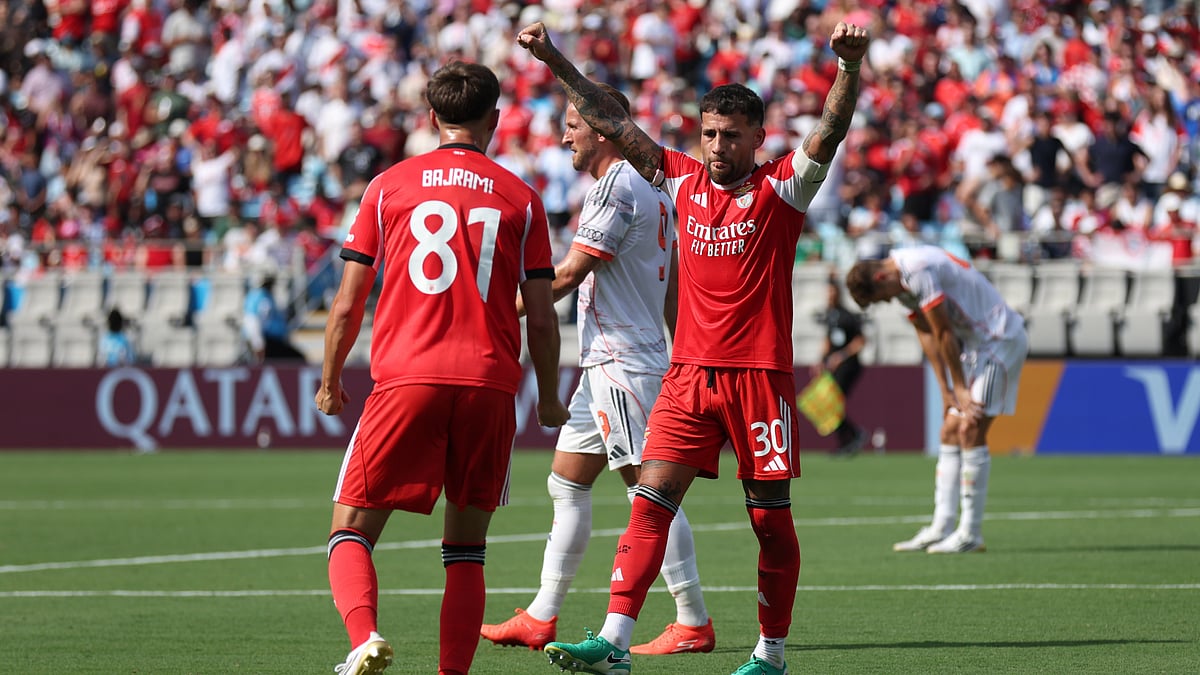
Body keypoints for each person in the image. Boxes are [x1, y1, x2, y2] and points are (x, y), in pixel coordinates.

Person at [518, 19, 870, 675]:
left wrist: (847, 68)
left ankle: (770, 652)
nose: (715, 146)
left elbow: (830, 130)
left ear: (758, 138)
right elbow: (610, 120)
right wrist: (553, 59)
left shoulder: (782, 188)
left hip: (759, 380)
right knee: (649, 502)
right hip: (686, 378)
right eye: (708, 132)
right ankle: (615, 640)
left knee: (768, 521)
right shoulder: (678, 179)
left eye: (731, 135)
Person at [314, 61, 570, 675]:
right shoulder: (522, 198)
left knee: (349, 529)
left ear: (432, 117)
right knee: (466, 550)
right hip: (488, 384)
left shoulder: (389, 186)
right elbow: (541, 315)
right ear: (495, 120)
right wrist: (549, 396)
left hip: (408, 378)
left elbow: (349, 301)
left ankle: (366, 637)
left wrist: (329, 379)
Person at [480, 85, 715, 655]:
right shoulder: (657, 186)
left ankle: (692, 619)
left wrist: (484, 310)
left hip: (624, 362)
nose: (564, 137)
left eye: (572, 126)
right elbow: (671, 281)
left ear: (603, 130)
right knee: (566, 480)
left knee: (648, 494)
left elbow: (565, 277)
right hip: (610, 359)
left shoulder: (617, 186)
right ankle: (541, 614)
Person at [844, 245, 1028, 554]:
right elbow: (925, 333)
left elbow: (943, 332)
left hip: (999, 340)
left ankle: (970, 532)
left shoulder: (916, 270)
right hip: (975, 345)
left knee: (970, 427)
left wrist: (959, 386)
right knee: (948, 431)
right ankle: (941, 525)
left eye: (882, 296)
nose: (889, 300)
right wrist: (945, 388)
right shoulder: (900, 281)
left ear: (880, 276)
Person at [813, 279, 867, 456]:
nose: (830, 296)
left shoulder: (847, 315)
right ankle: (849, 439)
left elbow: (860, 341)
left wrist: (841, 356)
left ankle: (853, 436)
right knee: (828, 404)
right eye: (828, 292)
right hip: (834, 367)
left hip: (848, 366)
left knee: (832, 403)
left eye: (832, 292)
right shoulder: (831, 315)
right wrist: (821, 360)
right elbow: (828, 340)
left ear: (838, 293)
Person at [242, 271, 306, 363]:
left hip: (273, 342)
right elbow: (252, 321)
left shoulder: (266, 296)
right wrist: (258, 344)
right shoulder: (259, 297)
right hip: (267, 343)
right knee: (297, 360)